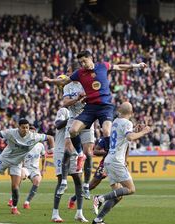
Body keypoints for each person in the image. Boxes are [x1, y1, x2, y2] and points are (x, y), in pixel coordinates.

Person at [43, 50, 147, 185]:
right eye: (80, 62)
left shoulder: (103, 66)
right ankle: (80, 154)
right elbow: (64, 81)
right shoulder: (79, 73)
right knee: (73, 130)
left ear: (90, 58)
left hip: (105, 106)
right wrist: (50, 80)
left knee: (106, 131)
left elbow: (120, 67)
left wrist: (137, 66)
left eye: (84, 61)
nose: (82, 64)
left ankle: (110, 159)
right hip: (90, 107)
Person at [0, 118, 54, 215]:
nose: (25, 130)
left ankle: (14, 208)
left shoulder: (34, 136)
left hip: (16, 163)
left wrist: (52, 149)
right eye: (23, 127)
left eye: (27, 127)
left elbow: (50, 138)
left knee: (15, 186)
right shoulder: (11, 132)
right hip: (4, 159)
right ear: (18, 127)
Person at [92, 102, 151, 224]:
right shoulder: (127, 122)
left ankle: (98, 220)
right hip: (116, 161)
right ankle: (100, 198)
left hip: (109, 160)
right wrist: (143, 132)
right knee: (130, 189)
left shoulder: (116, 121)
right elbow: (129, 138)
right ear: (131, 112)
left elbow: (123, 136)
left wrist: (135, 130)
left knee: (118, 195)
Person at [57, 62, 95, 199]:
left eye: (69, 72)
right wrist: (78, 98)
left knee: (88, 152)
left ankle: (86, 186)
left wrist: (86, 99)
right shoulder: (67, 86)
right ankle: (64, 181)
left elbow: (95, 99)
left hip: (88, 118)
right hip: (73, 118)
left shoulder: (88, 83)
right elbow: (66, 103)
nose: (67, 74)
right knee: (68, 149)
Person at [51, 107, 88, 223]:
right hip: (61, 150)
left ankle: (79, 213)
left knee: (78, 180)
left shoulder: (85, 113)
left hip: (75, 151)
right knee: (61, 180)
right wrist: (72, 119)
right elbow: (57, 124)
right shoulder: (63, 111)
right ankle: (55, 213)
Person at [68, 137, 107, 209]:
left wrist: (125, 161)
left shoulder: (122, 137)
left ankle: (106, 202)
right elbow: (95, 151)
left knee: (121, 186)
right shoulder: (106, 139)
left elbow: (127, 148)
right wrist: (107, 152)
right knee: (92, 185)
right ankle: (73, 198)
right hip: (106, 164)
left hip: (119, 164)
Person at [22, 125, 46, 209]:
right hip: (25, 167)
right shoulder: (24, 144)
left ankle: (27, 202)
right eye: (30, 132)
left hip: (35, 169)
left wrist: (43, 169)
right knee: (19, 177)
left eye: (33, 132)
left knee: (37, 181)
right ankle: (12, 199)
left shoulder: (40, 145)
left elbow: (43, 157)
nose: (32, 133)